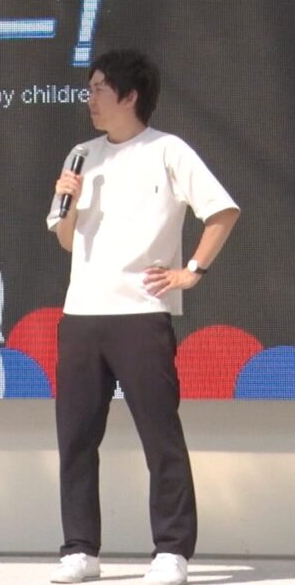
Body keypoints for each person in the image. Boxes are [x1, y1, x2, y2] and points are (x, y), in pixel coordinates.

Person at [45, 50, 239, 585]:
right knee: (76, 438)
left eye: (100, 89)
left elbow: (222, 211)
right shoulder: (82, 155)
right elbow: (66, 240)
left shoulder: (167, 151)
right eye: (89, 88)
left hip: (140, 313)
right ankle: (80, 550)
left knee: (160, 436)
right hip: (82, 314)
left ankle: (172, 551)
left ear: (130, 96)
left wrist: (190, 270)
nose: (90, 99)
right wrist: (68, 201)